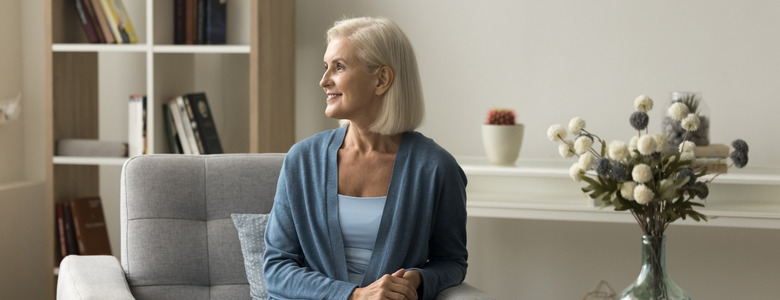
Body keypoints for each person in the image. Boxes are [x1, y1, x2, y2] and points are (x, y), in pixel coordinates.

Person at [263, 16, 468, 300]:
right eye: (326, 67)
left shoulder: (435, 168)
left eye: (339, 67)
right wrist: (355, 295)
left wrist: (418, 279)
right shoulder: (302, 160)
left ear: (382, 79)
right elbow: (276, 268)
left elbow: (453, 262)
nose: (324, 81)